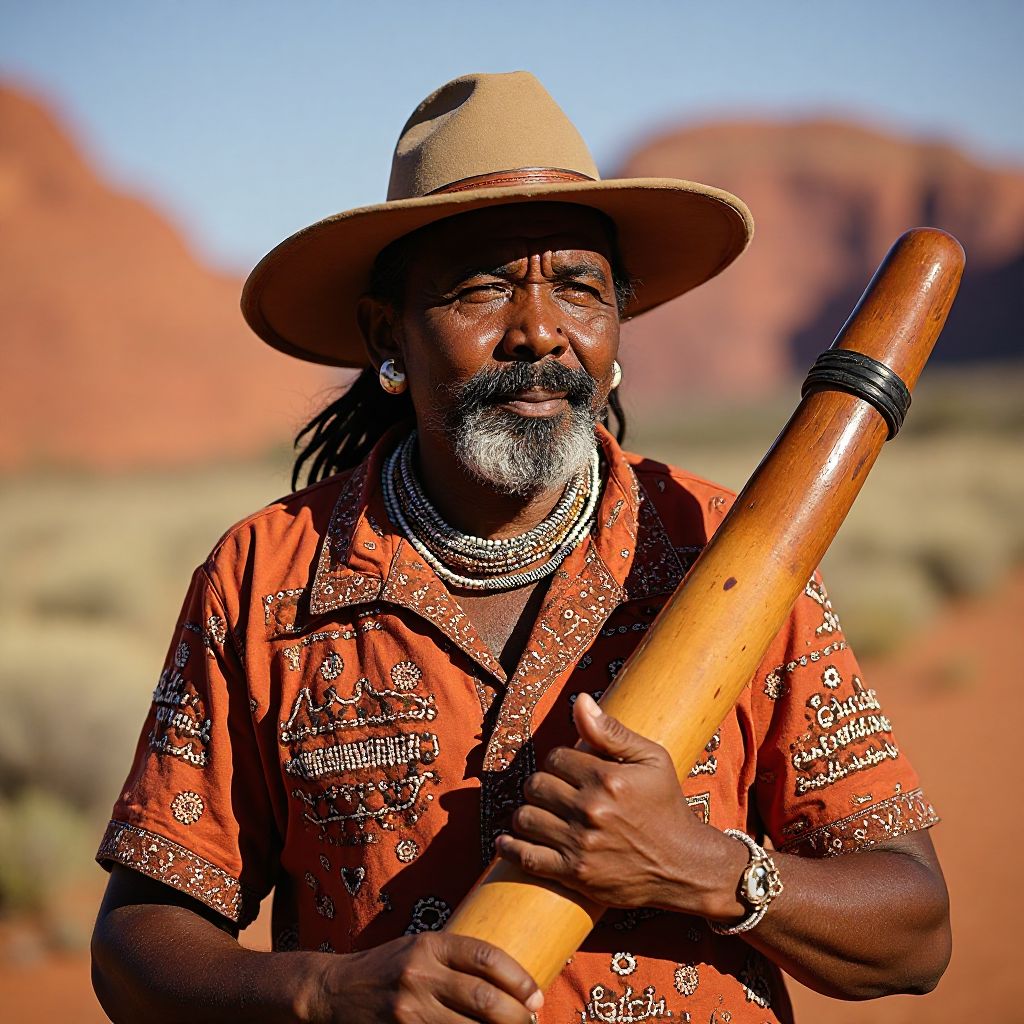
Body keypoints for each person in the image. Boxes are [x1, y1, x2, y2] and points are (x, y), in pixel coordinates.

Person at [91, 72, 950, 1024]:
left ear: (616, 325)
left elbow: (915, 932)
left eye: (579, 288)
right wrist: (324, 991)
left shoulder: (729, 552)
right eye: (484, 287)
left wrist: (704, 867)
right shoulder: (264, 580)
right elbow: (134, 946)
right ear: (388, 334)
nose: (540, 332)